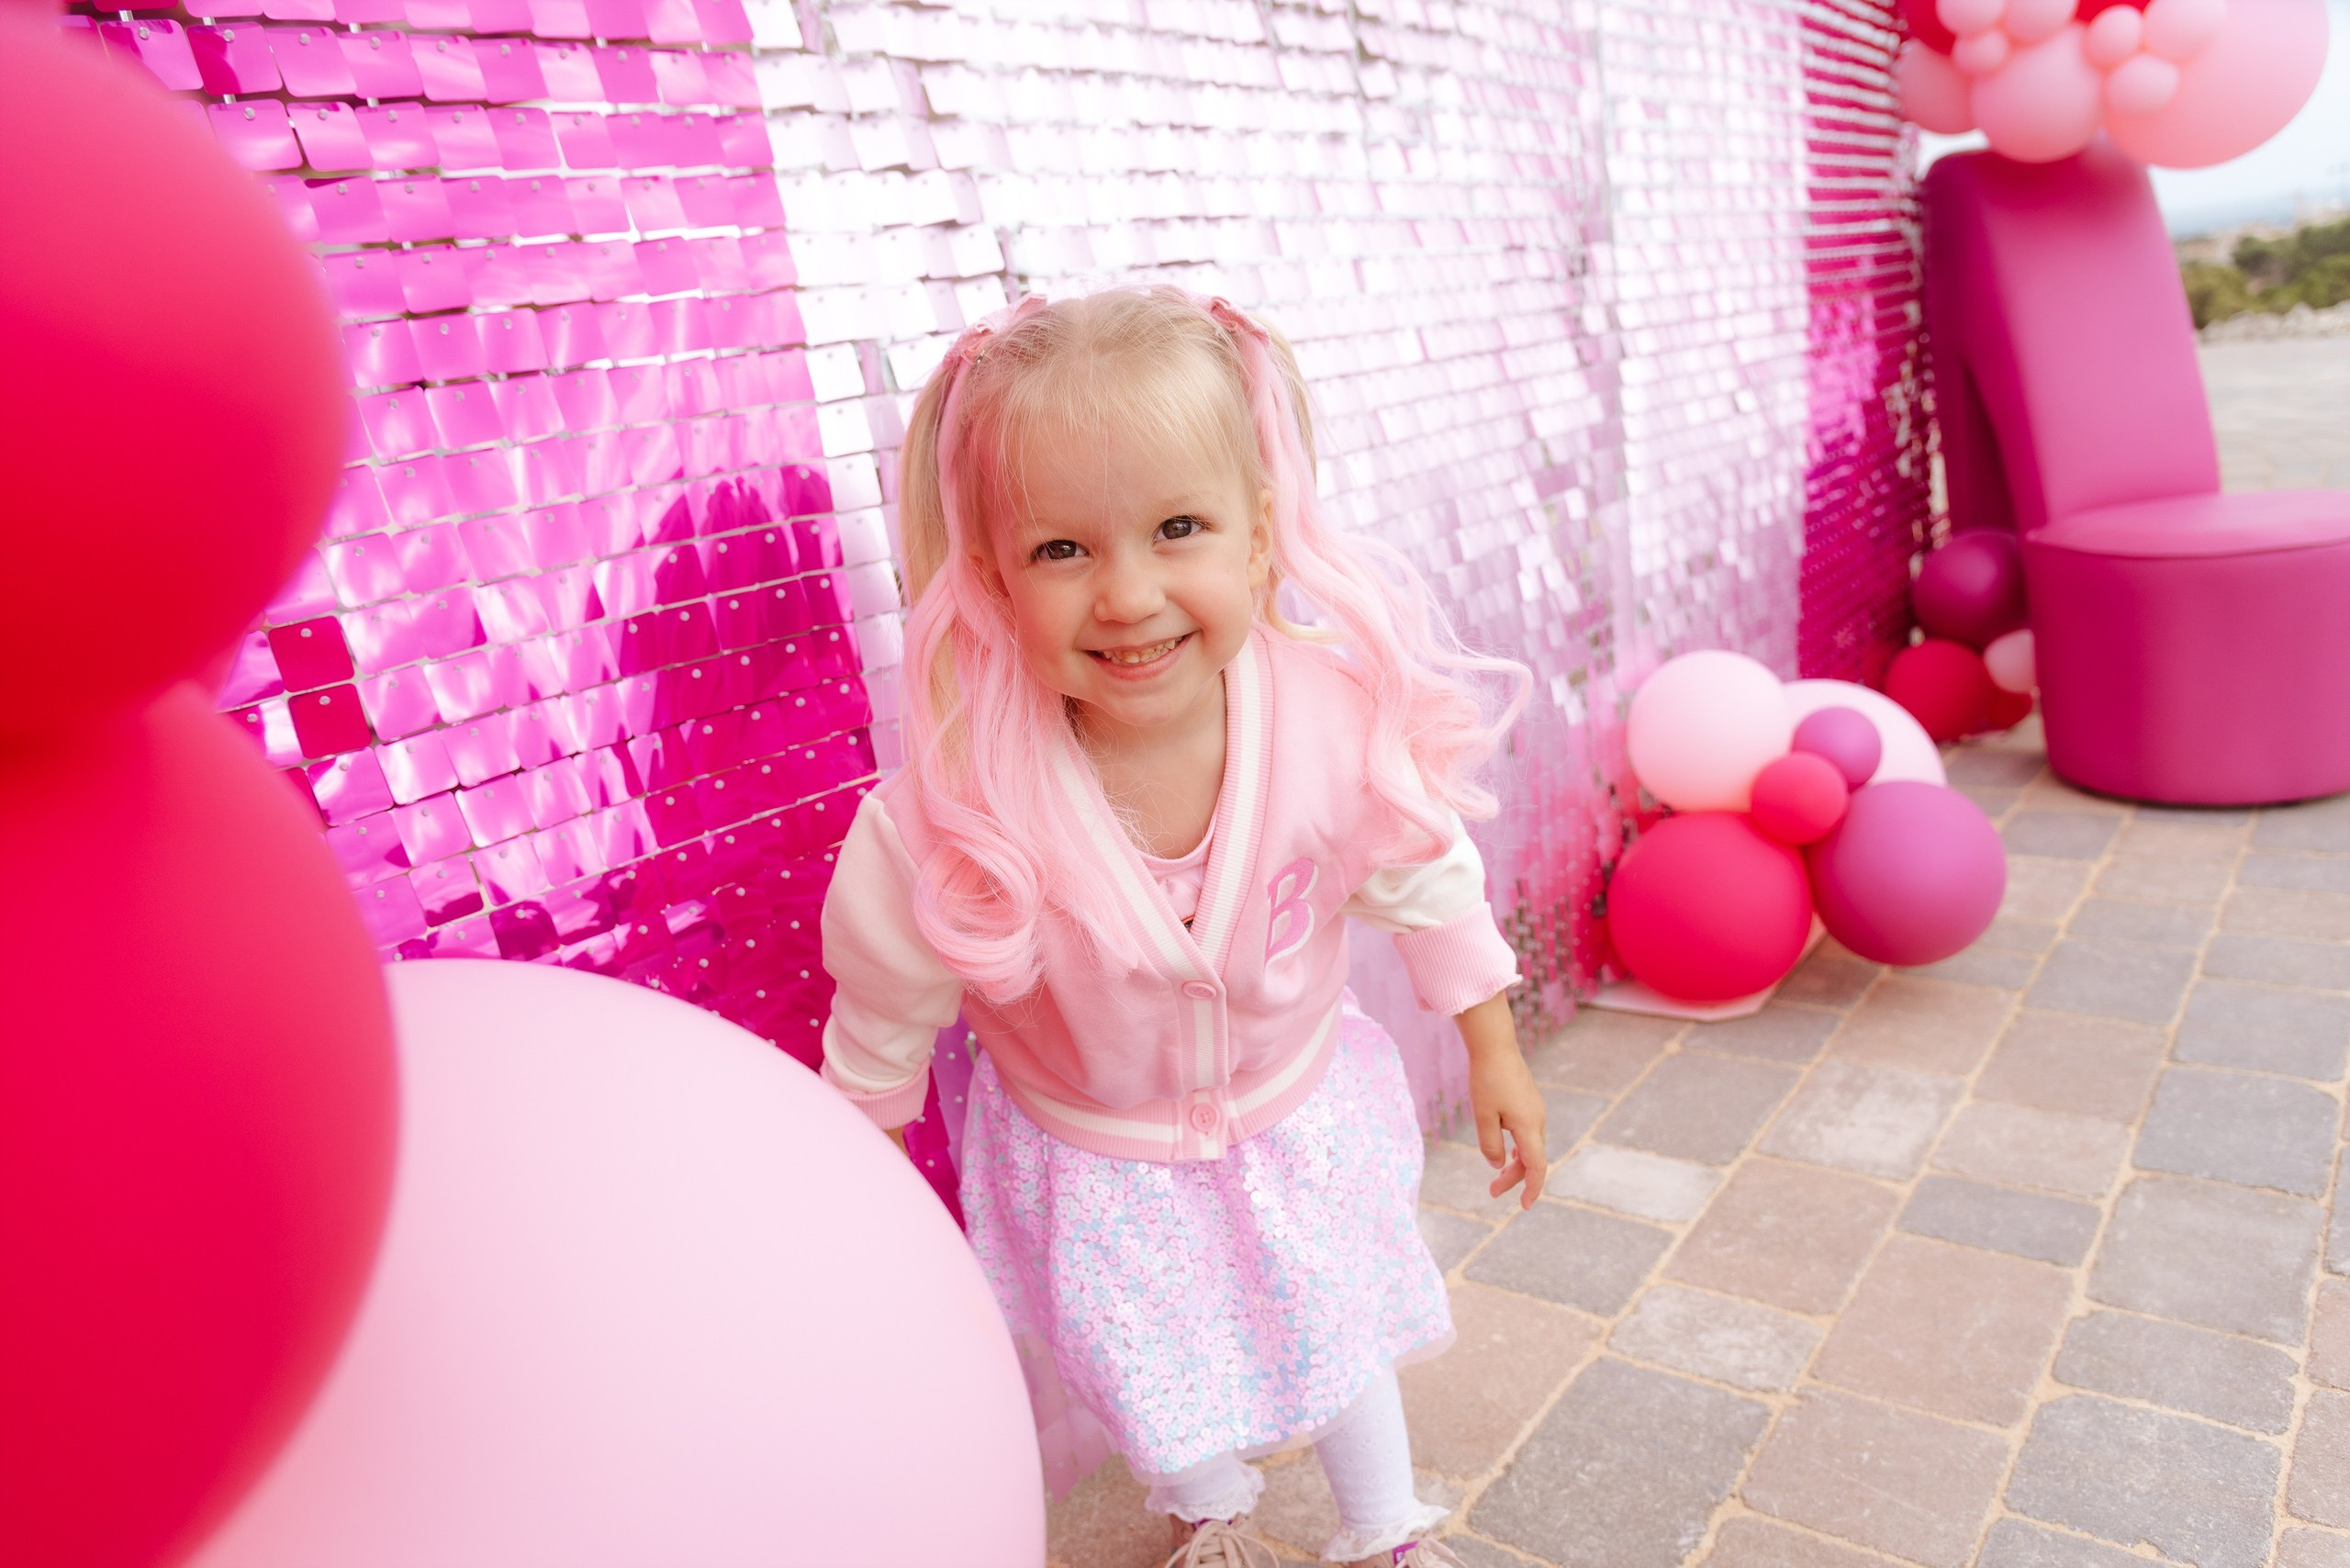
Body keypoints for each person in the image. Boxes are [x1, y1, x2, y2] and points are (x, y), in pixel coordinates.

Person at [818, 286, 1546, 1568]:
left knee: (1336, 1324)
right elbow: (883, 1003)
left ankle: (1384, 1525)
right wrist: (865, 1181)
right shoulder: (957, 809)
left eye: (1177, 530)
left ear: (1259, 539)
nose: (1127, 595)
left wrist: (1492, 1044)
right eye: (1063, 550)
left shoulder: (1325, 723)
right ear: (991, 578)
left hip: (1291, 1105)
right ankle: (1208, 1508)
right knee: (1139, 1351)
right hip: (1092, 1153)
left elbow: (1425, 872)